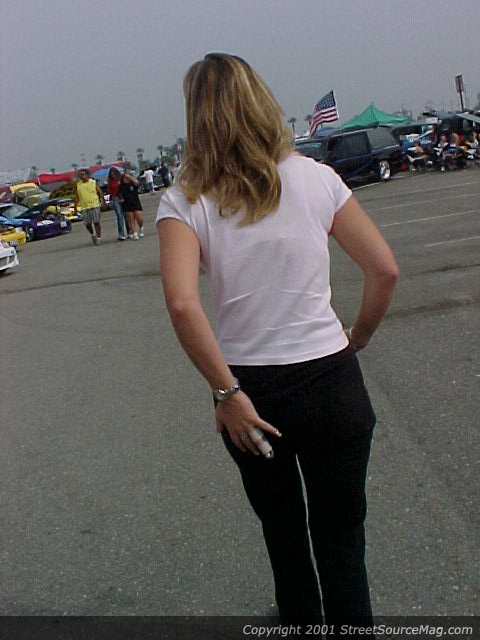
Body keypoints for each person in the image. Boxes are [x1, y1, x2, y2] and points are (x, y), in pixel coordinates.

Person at [156, 53, 399, 631]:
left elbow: (184, 303)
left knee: (284, 535)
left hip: (252, 392)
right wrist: (357, 336)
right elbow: (384, 269)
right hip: (332, 379)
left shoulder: (186, 199)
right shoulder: (317, 179)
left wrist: (226, 393)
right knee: (343, 539)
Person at [74, 168, 105, 245]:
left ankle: (98, 237)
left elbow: (100, 192)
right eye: (80, 175)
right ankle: (92, 234)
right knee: (87, 224)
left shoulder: (93, 182)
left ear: (87, 175)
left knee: (96, 222)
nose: (82, 176)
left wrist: (102, 201)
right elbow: (77, 196)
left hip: (94, 205)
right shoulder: (78, 185)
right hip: (84, 207)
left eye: (83, 174)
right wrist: (75, 206)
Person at [119, 172, 144, 239]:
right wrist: (121, 199)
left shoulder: (133, 184)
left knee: (139, 218)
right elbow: (120, 194)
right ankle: (135, 233)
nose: (125, 179)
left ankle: (141, 227)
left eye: (126, 178)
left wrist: (129, 177)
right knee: (131, 219)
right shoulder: (121, 186)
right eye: (124, 178)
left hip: (136, 203)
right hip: (127, 204)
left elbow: (137, 183)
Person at [107, 167, 128, 240]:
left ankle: (129, 232)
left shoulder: (120, 179)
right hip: (115, 198)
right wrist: (109, 201)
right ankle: (121, 234)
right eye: (111, 174)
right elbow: (109, 191)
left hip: (123, 197)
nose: (112, 175)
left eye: (113, 173)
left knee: (126, 215)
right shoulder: (110, 181)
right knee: (119, 216)